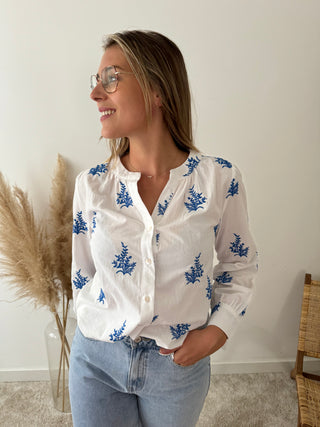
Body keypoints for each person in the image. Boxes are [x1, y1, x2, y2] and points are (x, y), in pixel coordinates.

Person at [69, 30, 258, 427]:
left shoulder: (219, 180)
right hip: (97, 360)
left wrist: (217, 332)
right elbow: (83, 274)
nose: (95, 94)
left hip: (176, 366)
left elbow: (239, 267)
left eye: (111, 78)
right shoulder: (91, 186)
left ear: (156, 90)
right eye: (96, 81)